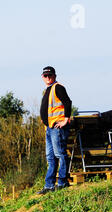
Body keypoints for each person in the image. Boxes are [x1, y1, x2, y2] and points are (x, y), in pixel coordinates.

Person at [38, 66, 72, 195]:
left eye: (50, 75)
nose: (48, 77)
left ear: (54, 76)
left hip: (57, 127)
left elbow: (68, 103)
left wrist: (66, 120)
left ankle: (62, 182)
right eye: (45, 76)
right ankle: (49, 185)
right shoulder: (48, 89)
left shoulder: (58, 87)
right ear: (42, 77)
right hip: (49, 128)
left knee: (60, 154)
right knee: (50, 157)